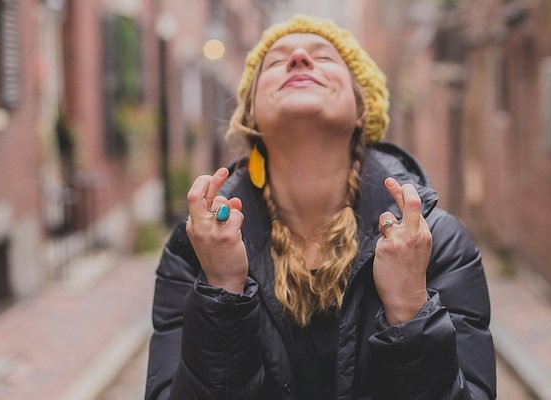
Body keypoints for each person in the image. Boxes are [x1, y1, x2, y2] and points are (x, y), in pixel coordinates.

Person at [145, 15, 496, 400]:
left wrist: (410, 308)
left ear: (362, 108)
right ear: (250, 116)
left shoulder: (434, 243)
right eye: (276, 61)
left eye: (325, 57)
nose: (299, 57)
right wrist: (222, 291)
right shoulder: (195, 249)